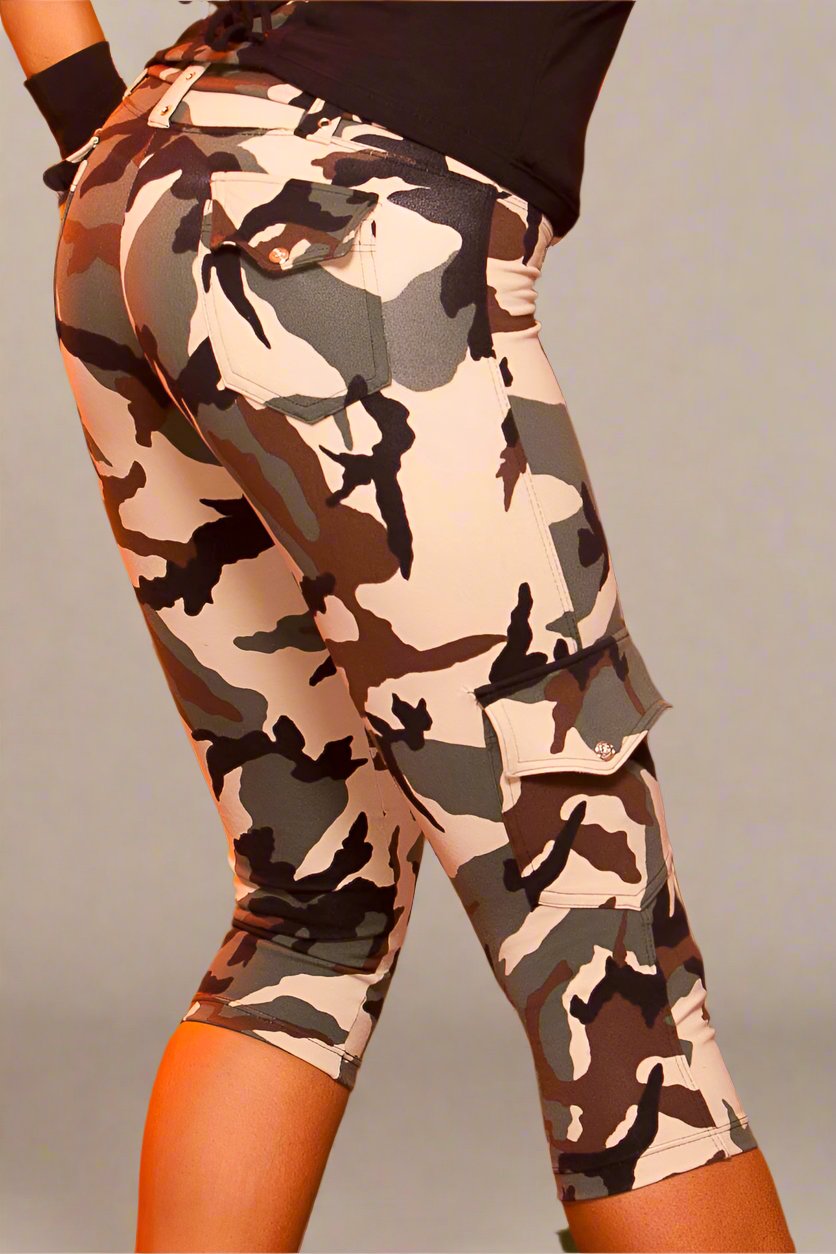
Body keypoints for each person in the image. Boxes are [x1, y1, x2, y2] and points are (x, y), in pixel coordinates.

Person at [3, 2, 795, 1251]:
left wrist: (82, 114)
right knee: (609, 982)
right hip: (346, 221)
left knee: (310, 913)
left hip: (140, 190)